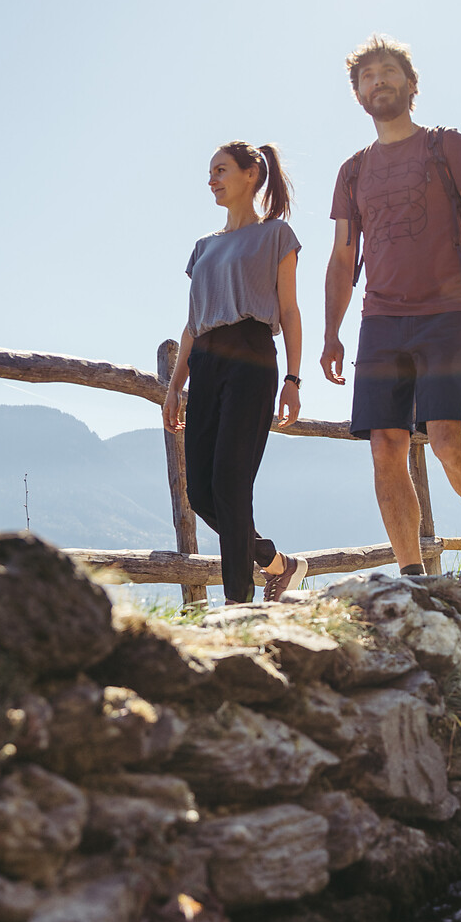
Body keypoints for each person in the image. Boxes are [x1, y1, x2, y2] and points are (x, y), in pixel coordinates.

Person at [320, 35, 461, 586]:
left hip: (445, 312)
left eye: (388, 72)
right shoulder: (353, 171)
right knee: (385, 446)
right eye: (367, 77)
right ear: (358, 95)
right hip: (379, 321)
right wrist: (331, 332)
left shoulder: (446, 145)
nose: (378, 81)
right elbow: (343, 259)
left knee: (445, 440)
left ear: (411, 85)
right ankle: (412, 576)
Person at [163, 141, 308, 603]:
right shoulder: (202, 248)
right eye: (210, 172)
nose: (212, 180)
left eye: (221, 170)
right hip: (206, 362)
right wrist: (173, 389)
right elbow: (192, 323)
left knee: (230, 479)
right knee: (202, 494)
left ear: (252, 174)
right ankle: (277, 565)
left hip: (251, 356)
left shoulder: (276, 236)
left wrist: (293, 379)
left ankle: (238, 604)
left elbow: (288, 309)